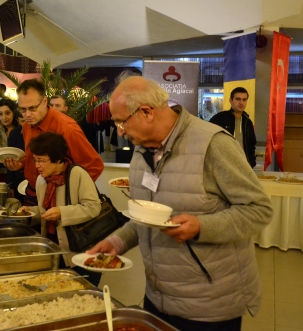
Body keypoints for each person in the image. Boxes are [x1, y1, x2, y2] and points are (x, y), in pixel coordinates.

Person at [87, 76, 272, 330]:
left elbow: (259, 209)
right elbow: (147, 215)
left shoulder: (213, 144)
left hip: (209, 306)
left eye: (121, 122)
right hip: (157, 298)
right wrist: (117, 241)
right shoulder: (140, 151)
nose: (119, 131)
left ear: (147, 112)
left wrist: (201, 226)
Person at [3, 79, 103, 206]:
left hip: (60, 198)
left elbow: (94, 166)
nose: (27, 115)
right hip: (32, 192)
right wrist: (21, 165)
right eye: (22, 109)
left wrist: (71, 194)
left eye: (32, 108)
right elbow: (35, 158)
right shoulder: (27, 125)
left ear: (44, 101)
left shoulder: (67, 128)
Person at [27, 132, 103, 286]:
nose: (37, 166)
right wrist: (29, 212)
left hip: (81, 250)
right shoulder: (42, 180)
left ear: (57, 158)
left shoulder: (77, 174)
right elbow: (45, 211)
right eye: (35, 160)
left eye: (41, 160)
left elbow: (93, 207)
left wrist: (62, 212)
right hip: (53, 251)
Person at [209, 87, 257, 167]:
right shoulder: (219, 119)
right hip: (224, 165)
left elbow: (251, 145)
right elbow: (209, 141)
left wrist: (251, 163)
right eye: (238, 99)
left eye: (244, 100)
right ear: (231, 100)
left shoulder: (247, 122)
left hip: (244, 165)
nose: (241, 102)